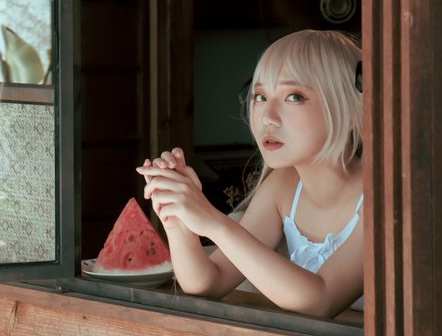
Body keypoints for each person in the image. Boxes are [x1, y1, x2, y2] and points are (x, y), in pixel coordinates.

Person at [137, 29, 364, 318]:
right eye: (260, 96)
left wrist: (213, 222)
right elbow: (208, 282)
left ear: (353, 111)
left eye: (294, 96)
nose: (268, 117)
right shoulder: (283, 186)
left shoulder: (382, 197)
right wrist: (179, 220)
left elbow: (320, 300)